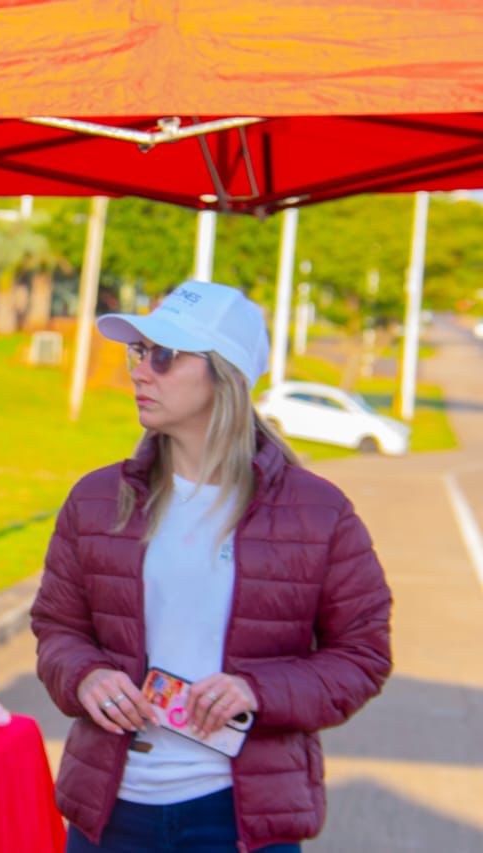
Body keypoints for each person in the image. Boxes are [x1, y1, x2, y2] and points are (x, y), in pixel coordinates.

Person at [30, 280, 392, 852]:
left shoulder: (319, 512)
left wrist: (257, 690)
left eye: (165, 356)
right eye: (139, 352)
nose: (140, 371)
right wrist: (86, 675)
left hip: (239, 821)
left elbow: (362, 656)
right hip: (110, 816)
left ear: (225, 375)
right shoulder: (95, 499)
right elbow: (58, 630)